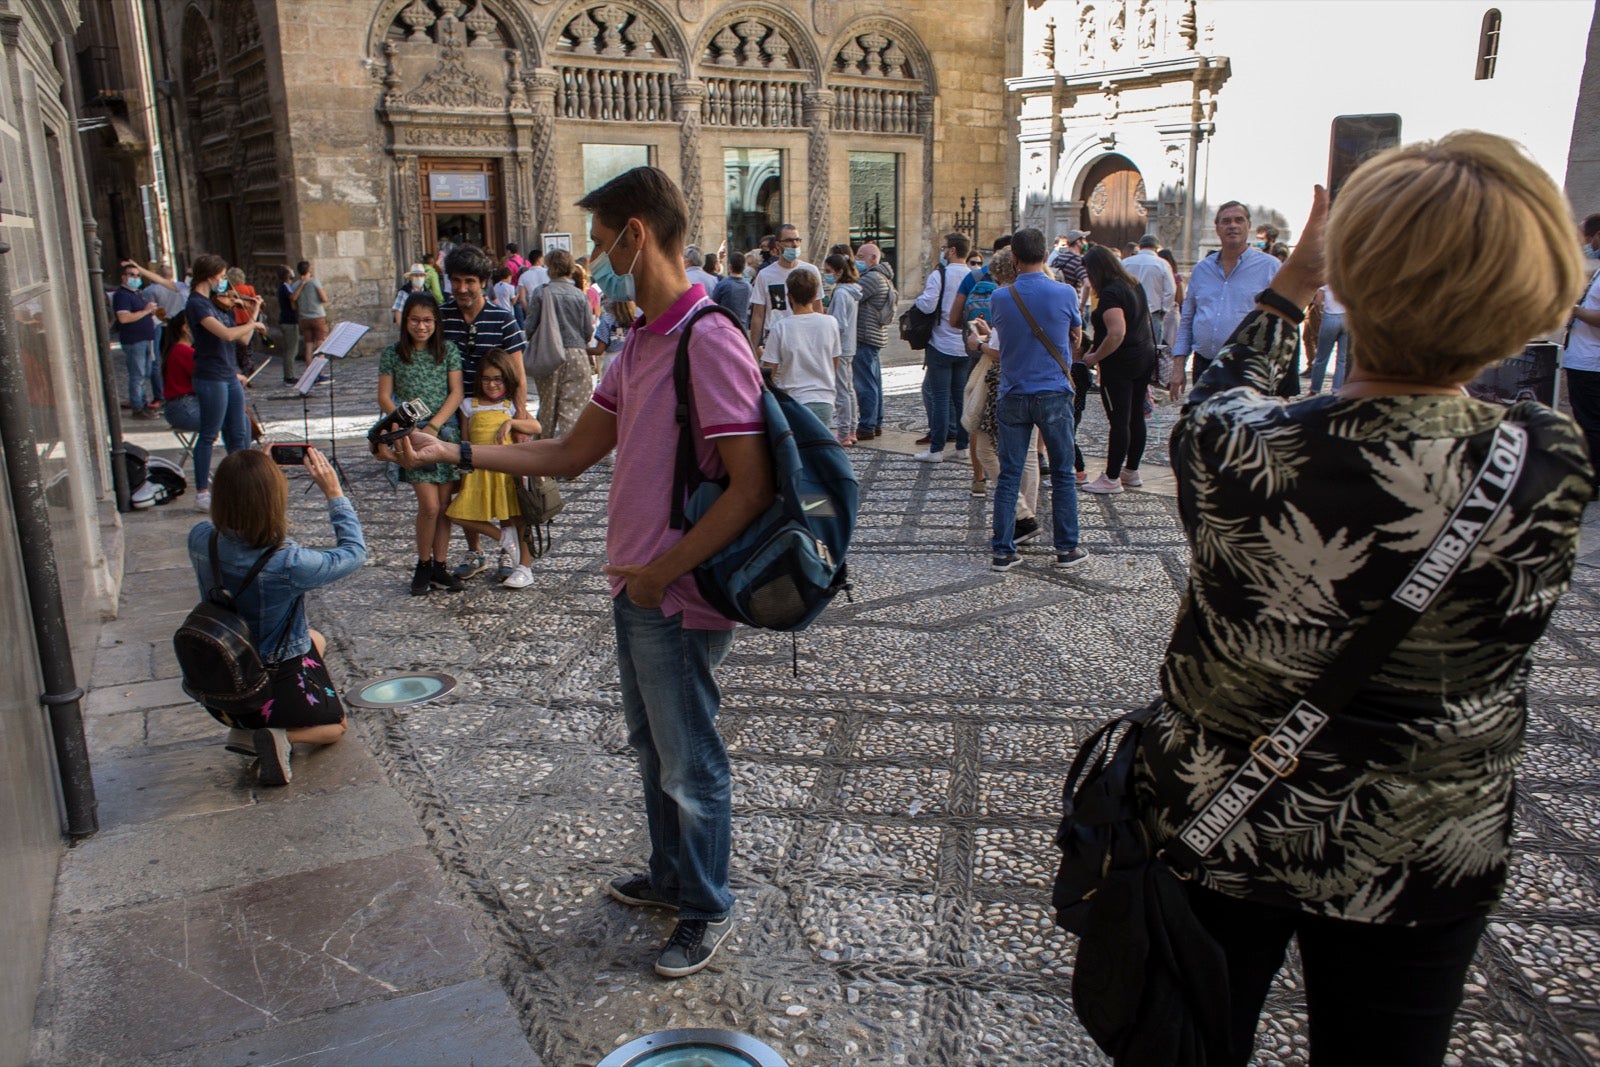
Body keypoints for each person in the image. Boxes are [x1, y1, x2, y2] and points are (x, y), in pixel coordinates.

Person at [1134, 133, 1590, 1066]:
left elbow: (1220, 391)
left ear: (1352, 282)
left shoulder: (1233, 447)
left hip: (1223, 809)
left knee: (1187, 1045)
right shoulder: (1545, 459)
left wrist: (1291, 284)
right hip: (1427, 839)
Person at [388, 165, 773, 980]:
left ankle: (707, 906)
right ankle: (670, 876)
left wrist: (659, 571)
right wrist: (453, 448)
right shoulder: (639, 340)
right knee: (652, 746)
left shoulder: (709, 338)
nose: (597, 261)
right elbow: (568, 451)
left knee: (690, 755)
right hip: (635, 584)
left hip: (674, 587)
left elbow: (751, 486)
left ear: (637, 234)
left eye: (602, 244)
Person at [188, 447, 363, 786]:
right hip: (267, 684)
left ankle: (247, 731)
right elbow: (354, 553)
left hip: (221, 682)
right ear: (274, 500)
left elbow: (239, 532)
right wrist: (334, 494)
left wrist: (253, 467)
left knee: (316, 639)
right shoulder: (288, 563)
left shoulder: (199, 538)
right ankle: (278, 736)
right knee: (335, 727)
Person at [985, 227, 1086, 571]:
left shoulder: (1000, 297)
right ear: (1046, 256)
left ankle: (1002, 549)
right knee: (1061, 472)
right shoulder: (1065, 293)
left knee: (1009, 474)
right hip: (1054, 392)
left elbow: (1004, 337)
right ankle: (1066, 548)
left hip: (1013, 392)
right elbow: (1076, 337)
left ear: (1013, 259)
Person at [440, 244, 528, 581]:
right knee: (466, 483)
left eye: (470, 282)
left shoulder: (503, 318)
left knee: (504, 483)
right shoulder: (442, 315)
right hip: (460, 413)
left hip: (498, 415)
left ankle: (508, 554)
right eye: (457, 281)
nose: (462, 289)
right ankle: (475, 552)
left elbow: (518, 374)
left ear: (484, 282)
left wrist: (519, 419)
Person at [378, 291, 464, 596]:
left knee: (443, 506)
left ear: (436, 323)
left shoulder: (449, 351)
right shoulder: (392, 353)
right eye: (415, 319)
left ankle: (440, 565)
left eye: (428, 320)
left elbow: (456, 393)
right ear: (406, 321)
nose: (421, 326)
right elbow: (385, 396)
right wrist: (405, 424)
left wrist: (435, 425)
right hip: (411, 437)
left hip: (444, 433)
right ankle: (423, 562)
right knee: (427, 506)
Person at [445, 347, 542, 589]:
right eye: (487, 378)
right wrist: (463, 469)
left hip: (506, 472)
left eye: (497, 379)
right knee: (456, 512)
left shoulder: (510, 406)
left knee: (516, 519)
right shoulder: (469, 405)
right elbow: (465, 440)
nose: (492, 384)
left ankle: (522, 567)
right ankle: (501, 537)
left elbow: (536, 427)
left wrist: (512, 422)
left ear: (507, 379)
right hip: (478, 471)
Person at [964, 249, 1042, 540]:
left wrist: (978, 344)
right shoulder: (1041, 295)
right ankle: (1026, 516)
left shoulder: (1003, 298)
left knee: (986, 449)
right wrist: (989, 333)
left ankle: (1024, 516)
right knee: (1029, 454)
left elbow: (1001, 352)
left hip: (1004, 383)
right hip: (1035, 379)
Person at [186, 253, 267, 510]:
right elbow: (227, 335)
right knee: (209, 433)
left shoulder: (219, 305)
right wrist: (252, 325)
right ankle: (201, 492)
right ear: (210, 276)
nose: (224, 283)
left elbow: (241, 341)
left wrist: (252, 313)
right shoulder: (197, 304)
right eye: (221, 277)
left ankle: (239, 485)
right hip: (210, 376)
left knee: (240, 431)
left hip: (229, 374)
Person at [1079, 246, 1159, 494]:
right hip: (1143, 356)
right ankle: (1131, 471)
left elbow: (1116, 332)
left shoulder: (1112, 293)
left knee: (1119, 419)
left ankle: (1111, 477)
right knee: (1135, 415)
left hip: (1120, 363)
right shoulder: (1133, 285)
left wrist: (1094, 357)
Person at [1173, 202, 1281, 384]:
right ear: (1217, 228)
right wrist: (1178, 366)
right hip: (1205, 365)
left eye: (1239, 220)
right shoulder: (1202, 270)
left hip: (1248, 368)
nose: (1233, 225)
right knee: (1204, 413)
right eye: (1226, 221)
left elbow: (1281, 323)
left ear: (1249, 225)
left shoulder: (1270, 267)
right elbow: (1187, 319)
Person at [912, 232, 973, 463]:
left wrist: (918, 300)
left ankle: (936, 450)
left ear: (953, 250)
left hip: (941, 343)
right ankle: (962, 446)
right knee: (960, 398)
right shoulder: (972, 275)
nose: (943, 251)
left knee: (939, 398)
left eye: (945, 247)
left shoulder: (941, 275)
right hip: (964, 344)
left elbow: (927, 306)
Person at [524, 248, 595, 439]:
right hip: (577, 355)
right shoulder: (580, 295)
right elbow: (588, 331)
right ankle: (570, 455)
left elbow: (530, 327)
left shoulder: (541, 293)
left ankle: (542, 457)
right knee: (572, 410)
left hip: (549, 354)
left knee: (547, 408)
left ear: (549, 267)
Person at [761, 268, 839, 426]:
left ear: (789, 296)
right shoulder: (830, 323)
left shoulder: (780, 327)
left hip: (794, 400)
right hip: (824, 399)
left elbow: (769, 370)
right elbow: (834, 362)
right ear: (816, 295)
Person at [1565, 214, 1600, 497]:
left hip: (1591, 363)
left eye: (1587, 238)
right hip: (1584, 360)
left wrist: (1574, 310)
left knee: (1591, 425)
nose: (1586, 245)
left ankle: (1592, 482)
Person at [748, 222, 822, 355]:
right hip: (775, 340)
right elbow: (758, 314)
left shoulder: (811, 271)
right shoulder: (765, 275)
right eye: (789, 240)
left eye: (797, 240)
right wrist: (753, 349)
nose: (794, 244)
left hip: (804, 338)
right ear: (778, 245)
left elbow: (817, 306)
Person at [853, 242, 896, 441]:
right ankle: (876, 422)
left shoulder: (871, 278)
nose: (856, 259)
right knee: (874, 382)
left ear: (873, 258)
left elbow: (850, 295)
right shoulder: (884, 277)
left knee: (865, 384)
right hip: (874, 336)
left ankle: (867, 425)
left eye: (861, 256)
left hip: (865, 336)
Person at [111, 260, 164, 418]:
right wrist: (146, 311)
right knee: (138, 374)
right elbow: (124, 318)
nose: (135, 278)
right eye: (131, 275)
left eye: (138, 275)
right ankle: (138, 406)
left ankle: (142, 401)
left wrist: (151, 313)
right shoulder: (122, 295)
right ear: (124, 277)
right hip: (134, 341)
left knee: (145, 372)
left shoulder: (137, 293)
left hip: (146, 338)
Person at [824, 253, 861, 445]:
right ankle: (852, 428)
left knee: (841, 390)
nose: (826, 275)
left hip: (840, 346)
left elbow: (838, 324)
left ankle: (845, 431)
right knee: (848, 388)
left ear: (839, 271)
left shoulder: (840, 293)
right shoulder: (851, 291)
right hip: (849, 345)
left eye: (829, 272)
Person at [1122, 235, 1177, 348]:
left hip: (1129, 312)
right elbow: (1170, 291)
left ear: (1140, 246)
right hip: (1153, 313)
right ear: (1156, 248)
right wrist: (1164, 309)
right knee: (1153, 349)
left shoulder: (1125, 263)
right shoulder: (1162, 264)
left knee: (1129, 347)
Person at [160, 314, 200, 433]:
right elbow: (208, 375)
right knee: (233, 420)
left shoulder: (176, 349)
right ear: (186, 328)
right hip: (186, 408)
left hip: (180, 407)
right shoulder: (184, 352)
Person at [1157, 247, 1187, 397]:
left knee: (1162, 348)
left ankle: (1161, 378)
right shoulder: (1175, 277)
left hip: (1160, 313)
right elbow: (1180, 299)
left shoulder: (1160, 275)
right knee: (1170, 348)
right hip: (1172, 313)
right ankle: (1168, 378)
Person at [290, 260, 330, 358]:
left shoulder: (295, 285)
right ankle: (319, 371)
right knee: (320, 346)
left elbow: (294, 303)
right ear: (309, 270)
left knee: (309, 346)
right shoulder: (314, 282)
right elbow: (324, 299)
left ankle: (309, 371)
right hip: (317, 316)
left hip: (304, 318)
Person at [589, 297, 637, 378]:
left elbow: (599, 350)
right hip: (631, 360)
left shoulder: (607, 321)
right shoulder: (636, 321)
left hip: (611, 361)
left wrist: (582, 350)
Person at [275, 265, 303, 383]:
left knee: (290, 350)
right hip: (288, 322)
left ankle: (289, 375)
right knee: (291, 350)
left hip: (290, 321)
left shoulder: (287, 287)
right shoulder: (284, 288)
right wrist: (302, 284)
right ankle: (289, 376)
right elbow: (293, 298)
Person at [712, 250, 752, 326]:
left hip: (725, 325)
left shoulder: (722, 285)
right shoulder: (748, 287)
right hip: (742, 327)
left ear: (730, 266)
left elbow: (714, 303)